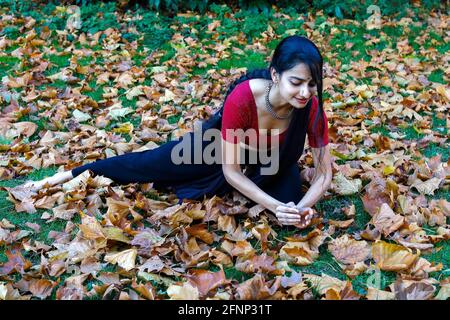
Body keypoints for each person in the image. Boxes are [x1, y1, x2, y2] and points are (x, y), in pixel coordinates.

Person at [21, 35, 332, 228]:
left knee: (290, 215)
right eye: (296, 82)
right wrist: (276, 206)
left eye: (311, 84)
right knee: (146, 166)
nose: (305, 92)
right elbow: (231, 170)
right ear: (276, 74)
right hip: (213, 149)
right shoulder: (245, 98)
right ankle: (59, 177)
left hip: (273, 165)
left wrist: (299, 210)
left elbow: (323, 173)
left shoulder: (312, 108)